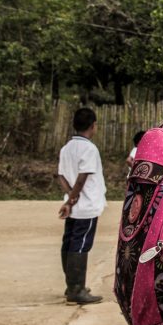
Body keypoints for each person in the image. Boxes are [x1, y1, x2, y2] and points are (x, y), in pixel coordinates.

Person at [56, 107, 106, 306]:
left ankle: (72, 285)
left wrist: (69, 198)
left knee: (69, 242)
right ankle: (77, 290)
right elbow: (82, 177)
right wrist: (73, 198)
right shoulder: (89, 149)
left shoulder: (67, 147)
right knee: (80, 244)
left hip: (74, 206)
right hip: (86, 206)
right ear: (93, 126)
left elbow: (61, 175)